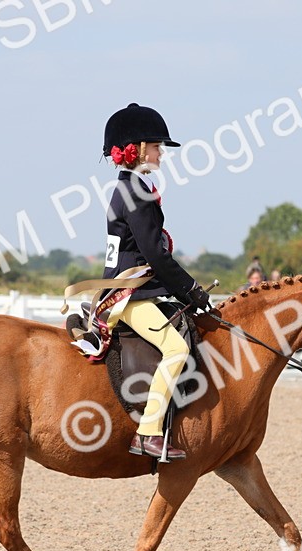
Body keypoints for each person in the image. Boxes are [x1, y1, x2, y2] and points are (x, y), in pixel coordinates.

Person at [97, 102, 211, 460]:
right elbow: (156, 255)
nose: (162, 152)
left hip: (134, 288)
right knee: (177, 348)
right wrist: (191, 288)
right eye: (158, 146)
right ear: (140, 148)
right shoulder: (136, 192)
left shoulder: (128, 188)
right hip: (132, 293)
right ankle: (147, 433)